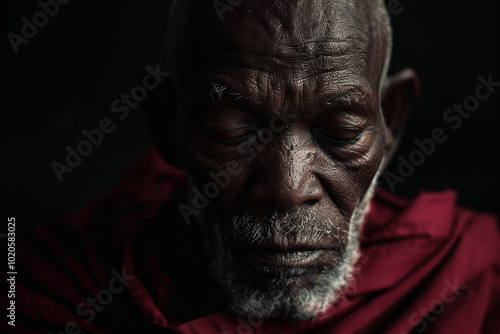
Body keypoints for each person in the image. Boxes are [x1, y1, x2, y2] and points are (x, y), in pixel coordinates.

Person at [2, 0, 499, 333]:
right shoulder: (54, 284)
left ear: (391, 121)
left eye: (341, 132)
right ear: (166, 123)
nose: (286, 188)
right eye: (233, 132)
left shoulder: (480, 275)